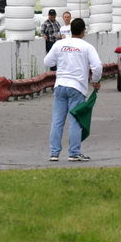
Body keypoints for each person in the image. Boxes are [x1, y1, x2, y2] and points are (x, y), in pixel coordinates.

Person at [44, 18, 102, 162]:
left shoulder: (59, 44)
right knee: (75, 121)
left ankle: (54, 153)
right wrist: (95, 81)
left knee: (57, 121)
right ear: (84, 31)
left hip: (60, 86)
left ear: (70, 30)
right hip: (77, 87)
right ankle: (74, 153)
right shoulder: (87, 47)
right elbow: (97, 67)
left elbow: (47, 62)